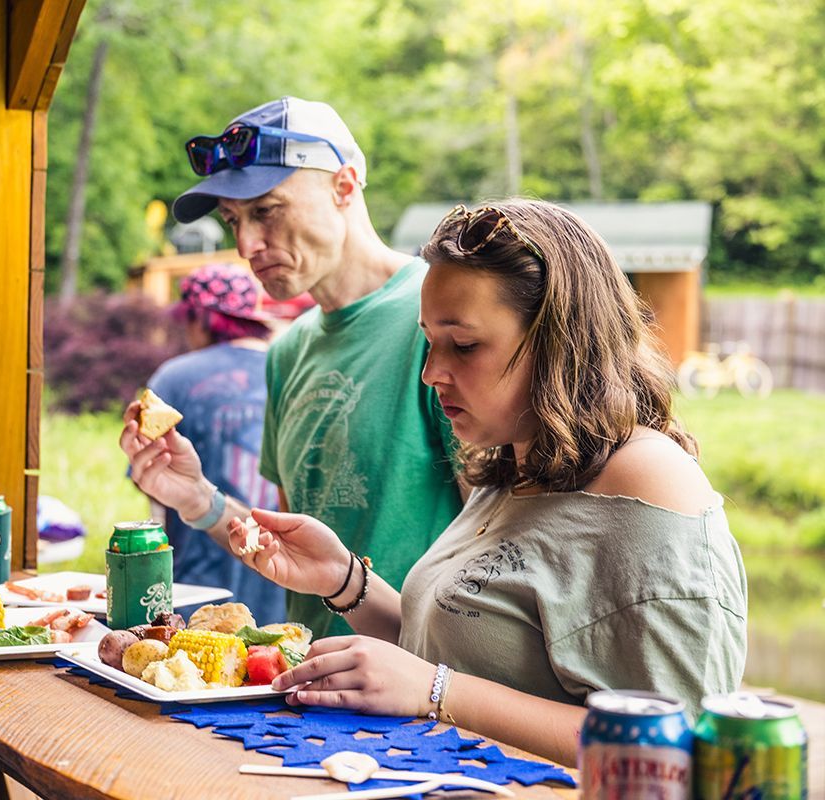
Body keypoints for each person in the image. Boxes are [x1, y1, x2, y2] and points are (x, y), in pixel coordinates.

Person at [225, 199, 748, 767]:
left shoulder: (649, 479)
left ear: (559, 340)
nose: (432, 373)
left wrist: (436, 692)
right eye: (428, 341)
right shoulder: (516, 464)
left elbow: (682, 745)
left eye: (464, 345)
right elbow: (454, 648)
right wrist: (344, 579)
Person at [120, 97, 463, 639]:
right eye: (234, 220)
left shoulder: (442, 321)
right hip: (309, 683)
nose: (246, 245)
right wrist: (196, 498)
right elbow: (291, 551)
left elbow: (498, 548)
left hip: (425, 697)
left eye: (267, 210)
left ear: (344, 187)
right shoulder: (288, 350)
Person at [140, 263, 284, 623]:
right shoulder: (288, 370)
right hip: (283, 578)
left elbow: (152, 484)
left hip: (198, 584)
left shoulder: (174, 377)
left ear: (200, 319)